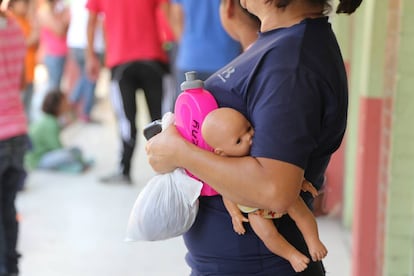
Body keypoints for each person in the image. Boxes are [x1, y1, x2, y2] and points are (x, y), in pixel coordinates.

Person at [146, 0, 363, 274]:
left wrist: (180, 153)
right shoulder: (283, 45)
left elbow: (274, 189)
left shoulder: (291, 64)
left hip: (256, 265)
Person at [202, 107, 327, 272]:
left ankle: (313, 241)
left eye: (248, 128)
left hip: (279, 192)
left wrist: (302, 182)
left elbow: (284, 170)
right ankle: (291, 255)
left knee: (302, 214)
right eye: (238, 141)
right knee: (268, 235)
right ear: (221, 152)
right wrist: (235, 215)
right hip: (255, 210)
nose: (248, 138)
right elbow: (227, 193)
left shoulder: (260, 151)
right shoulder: (227, 168)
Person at [86, 0, 170, 184]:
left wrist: (90, 56)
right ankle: (168, 171)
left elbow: (91, 20)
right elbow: (166, 14)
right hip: (153, 57)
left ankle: (124, 170)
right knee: (161, 119)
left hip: (120, 59)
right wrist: (171, 44)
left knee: (126, 121)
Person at [167, 0, 241, 112]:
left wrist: (188, 44)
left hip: (190, 58)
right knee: (228, 118)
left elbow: (176, 16)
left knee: (190, 119)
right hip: (227, 59)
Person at [0, 2, 28, 274]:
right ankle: (11, 269)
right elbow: (21, 81)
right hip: (17, 131)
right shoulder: (15, 27)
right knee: (7, 207)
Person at [25, 89, 92, 173]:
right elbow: (57, 148)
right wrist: (78, 158)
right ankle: (72, 166)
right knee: (68, 154)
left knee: (75, 151)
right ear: (57, 106)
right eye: (64, 102)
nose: (68, 104)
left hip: (43, 154)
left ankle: (73, 163)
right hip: (37, 161)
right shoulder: (51, 123)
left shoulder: (49, 120)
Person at [67, 0, 105, 123]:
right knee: (90, 78)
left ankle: (70, 104)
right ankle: (83, 112)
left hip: (75, 43)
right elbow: (97, 22)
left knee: (85, 77)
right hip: (90, 45)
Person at [7, 0, 39, 122]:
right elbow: (19, 45)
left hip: (30, 70)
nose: (25, 6)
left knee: (27, 109)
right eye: (23, 3)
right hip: (20, 75)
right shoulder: (11, 22)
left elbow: (35, 44)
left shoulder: (26, 21)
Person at [37, 0, 69, 91]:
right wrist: (64, 17)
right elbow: (59, 30)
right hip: (52, 54)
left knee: (56, 86)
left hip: (61, 53)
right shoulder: (44, 12)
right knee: (53, 87)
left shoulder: (56, 10)